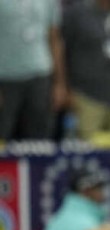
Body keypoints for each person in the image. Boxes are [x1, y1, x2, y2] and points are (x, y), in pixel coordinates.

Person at [62, 0, 110, 146]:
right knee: (87, 158)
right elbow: (61, 50)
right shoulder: (77, 13)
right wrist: (64, 87)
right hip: (87, 97)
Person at [0, 0, 68, 141]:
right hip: (5, 78)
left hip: (40, 76)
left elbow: (54, 39)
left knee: (39, 140)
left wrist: (59, 84)